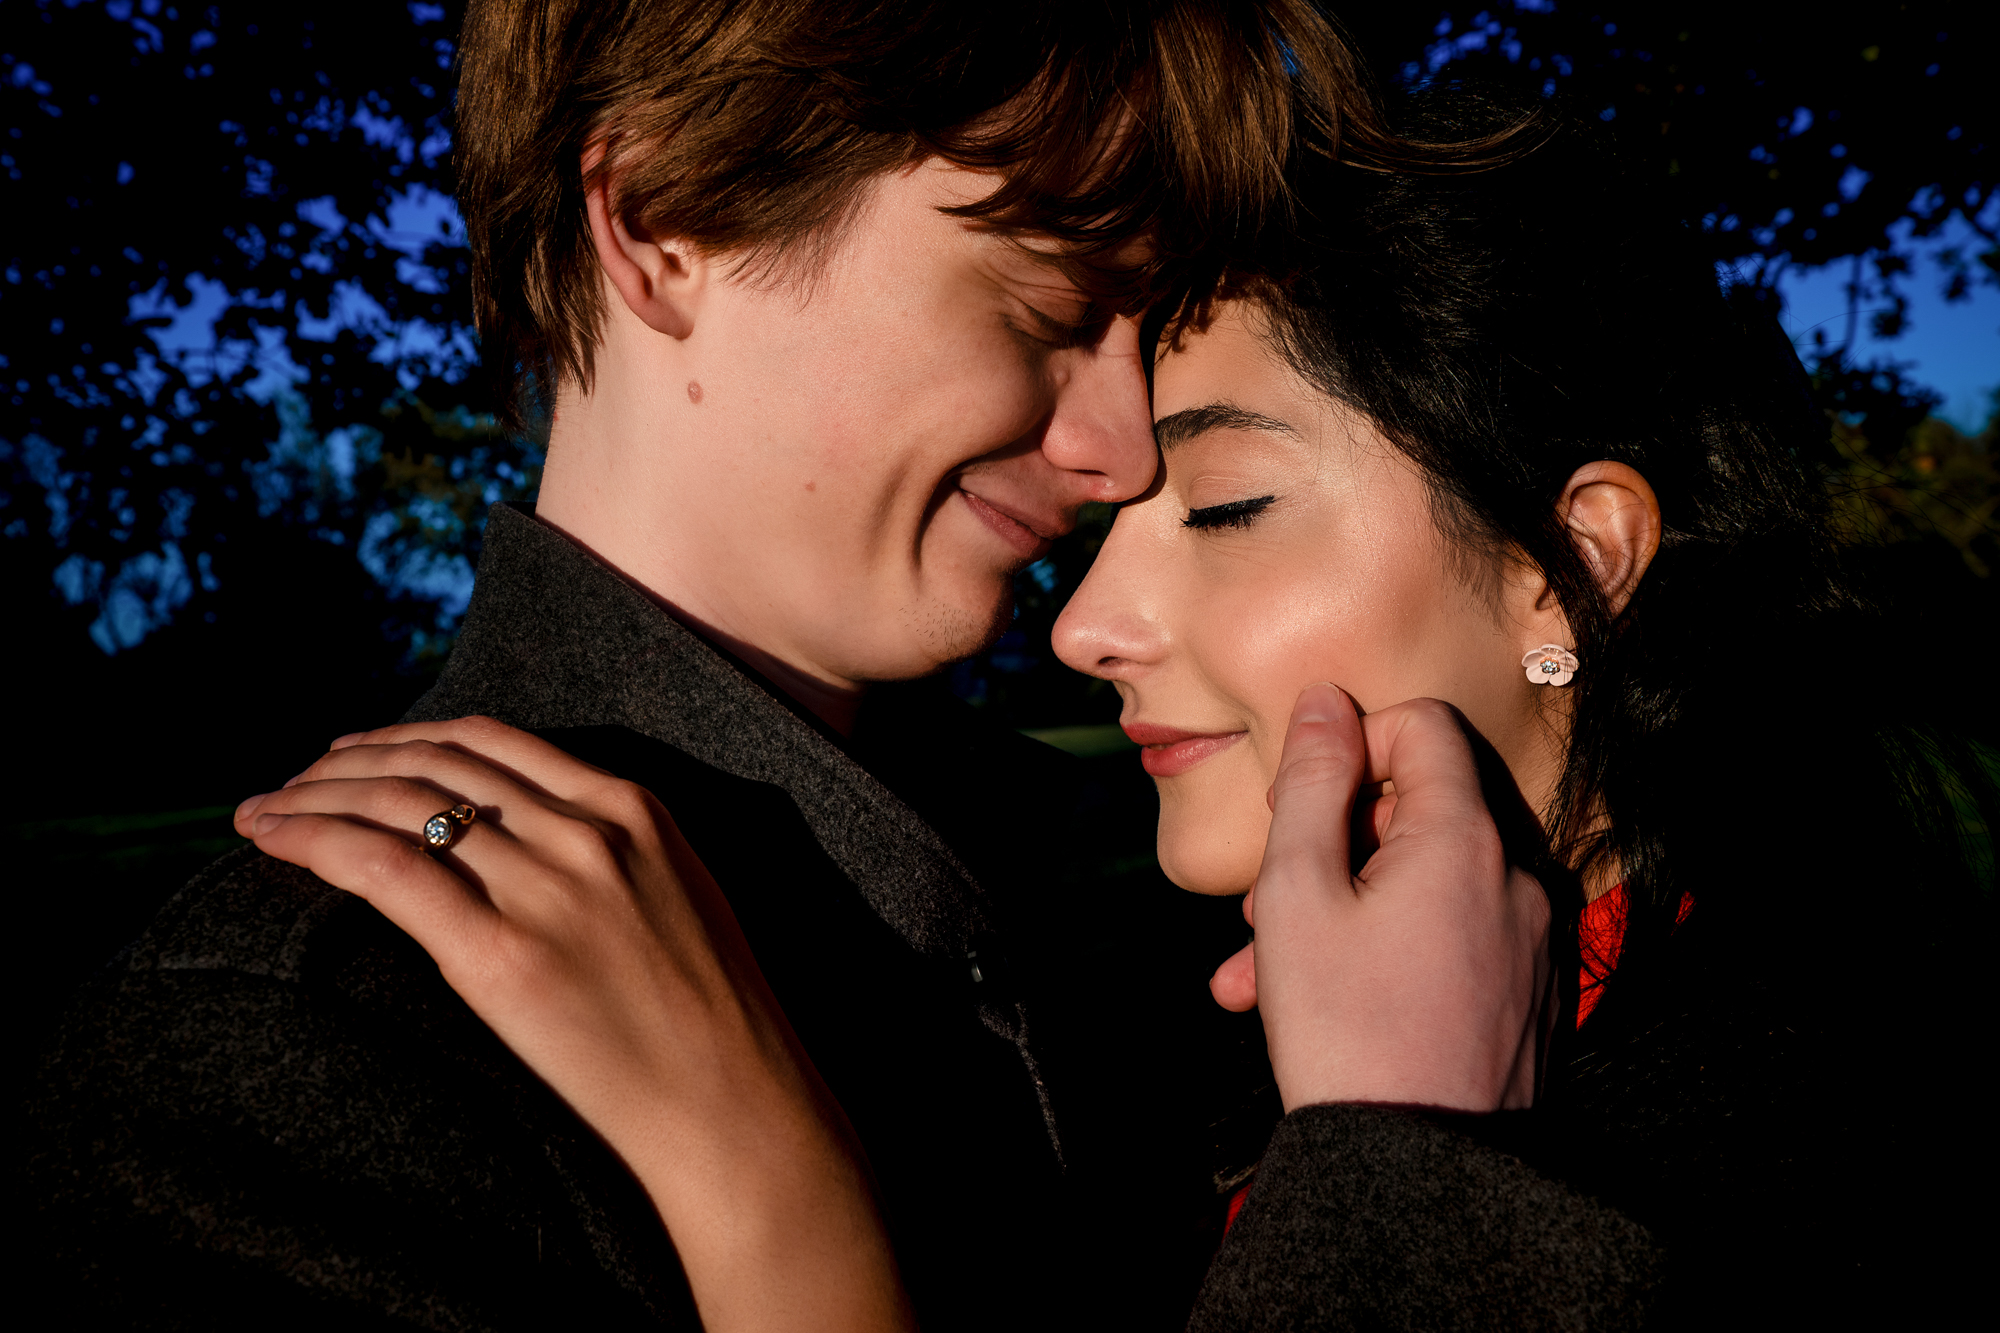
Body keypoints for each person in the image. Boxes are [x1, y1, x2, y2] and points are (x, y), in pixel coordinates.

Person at [219, 88, 1990, 1328]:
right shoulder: (1143, 1025)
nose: (1091, 627)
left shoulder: (1835, 1147)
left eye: (1224, 509)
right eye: (1115, 527)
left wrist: (785, 1213)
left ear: (1572, 572)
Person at [25, 3, 1444, 1329]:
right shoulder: (285, 1058)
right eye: (1045, 310)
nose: (1123, 446)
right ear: (663, 219)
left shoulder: (1129, 887)